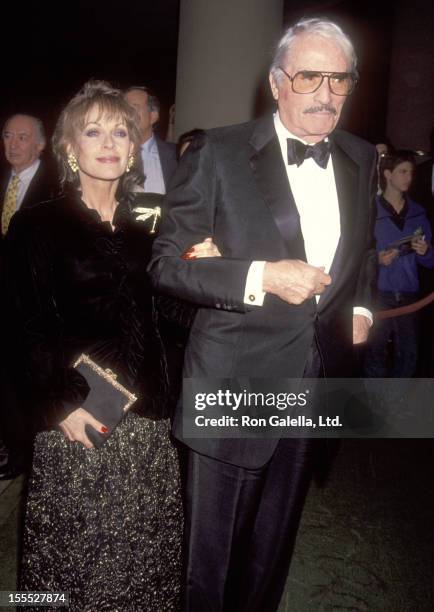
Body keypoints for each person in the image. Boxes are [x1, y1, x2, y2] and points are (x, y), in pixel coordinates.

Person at [149, 17, 377, 612]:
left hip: (314, 380)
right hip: (232, 377)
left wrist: (362, 310)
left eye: (339, 79)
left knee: (271, 555)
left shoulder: (358, 156)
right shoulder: (218, 152)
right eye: (309, 76)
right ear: (277, 83)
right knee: (211, 567)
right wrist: (259, 276)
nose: (325, 93)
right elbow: (166, 265)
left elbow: (366, 251)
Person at [6, 80, 184, 611]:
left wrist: (200, 269)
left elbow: (166, 319)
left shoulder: (149, 229)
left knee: (142, 560)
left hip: (148, 422)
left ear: (134, 148)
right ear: (69, 147)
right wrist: (58, 403)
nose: (109, 142)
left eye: (121, 132)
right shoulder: (37, 225)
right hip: (78, 416)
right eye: (94, 131)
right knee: (71, 559)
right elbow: (23, 325)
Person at [0, 114, 58, 481]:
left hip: (32, 304)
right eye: (7, 136)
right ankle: (12, 445)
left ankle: (25, 453)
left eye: (23, 137)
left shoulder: (54, 186)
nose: (13, 144)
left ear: (41, 144)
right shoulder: (3, 182)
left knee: (26, 378)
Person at [364, 150, 434, 379]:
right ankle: (375, 407)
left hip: (409, 294)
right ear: (387, 174)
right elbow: (357, 257)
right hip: (379, 294)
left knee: (409, 354)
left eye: (411, 172)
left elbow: (430, 261)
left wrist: (425, 252)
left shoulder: (419, 213)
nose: (409, 177)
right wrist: (377, 260)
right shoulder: (369, 211)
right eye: (403, 172)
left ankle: (397, 407)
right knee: (375, 353)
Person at [124, 86, 177, 193]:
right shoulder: (111, 153)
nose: (126, 114)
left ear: (153, 117)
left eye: (133, 108)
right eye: (124, 109)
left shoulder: (176, 156)